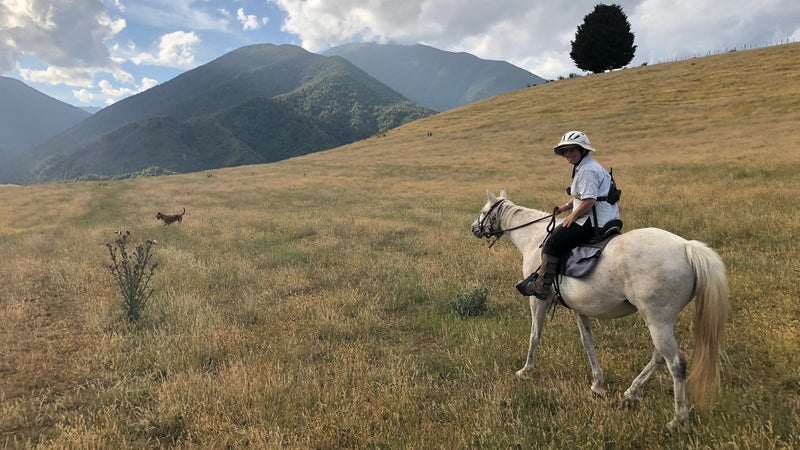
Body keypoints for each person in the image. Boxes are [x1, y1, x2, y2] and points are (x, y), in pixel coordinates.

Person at [518, 130, 620, 300]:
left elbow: (589, 201)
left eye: (572, 150)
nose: (568, 154)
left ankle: (543, 287)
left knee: (552, 243)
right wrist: (565, 207)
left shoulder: (587, 170)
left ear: (582, 150)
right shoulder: (585, 167)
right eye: (565, 151)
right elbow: (581, 196)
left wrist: (571, 217)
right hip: (605, 217)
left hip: (592, 221)